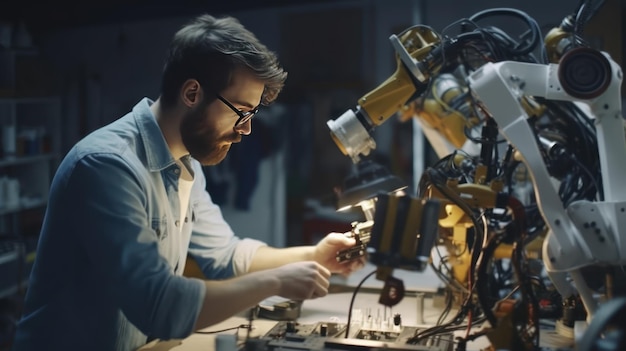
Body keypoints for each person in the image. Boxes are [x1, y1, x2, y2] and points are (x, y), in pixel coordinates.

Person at [12, 13, 364, 351]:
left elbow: (225, 255)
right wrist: (275, 281)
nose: (247, 129)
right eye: (241, 111)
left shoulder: (185, 162)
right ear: (192, 93)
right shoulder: (107, 166)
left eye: (253, 114)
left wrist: (314, 254)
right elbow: (158, 305)